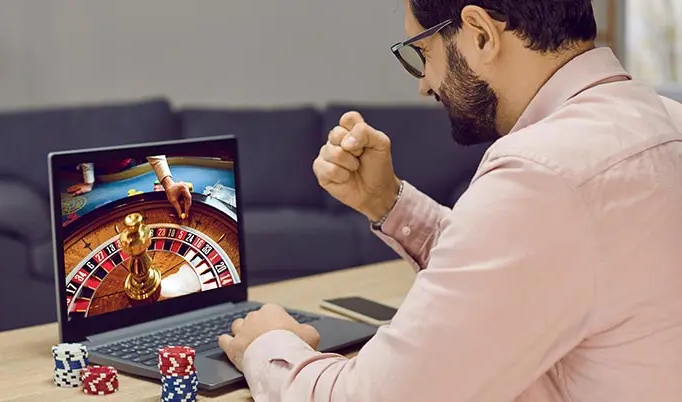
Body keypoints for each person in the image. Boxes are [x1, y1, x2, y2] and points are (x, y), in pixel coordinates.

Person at [218, 1, 682, 401]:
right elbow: (524, 271)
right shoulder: (666, 122)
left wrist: (272, 344)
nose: (424, 84)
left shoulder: (541, 173)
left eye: (423, 53)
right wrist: (388, 201)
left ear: (480, 34)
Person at [67, 156, 191, 218]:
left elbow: (152, 148)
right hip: (99, 171)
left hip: (126, 166)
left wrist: (168, 184)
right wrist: (89, 181)